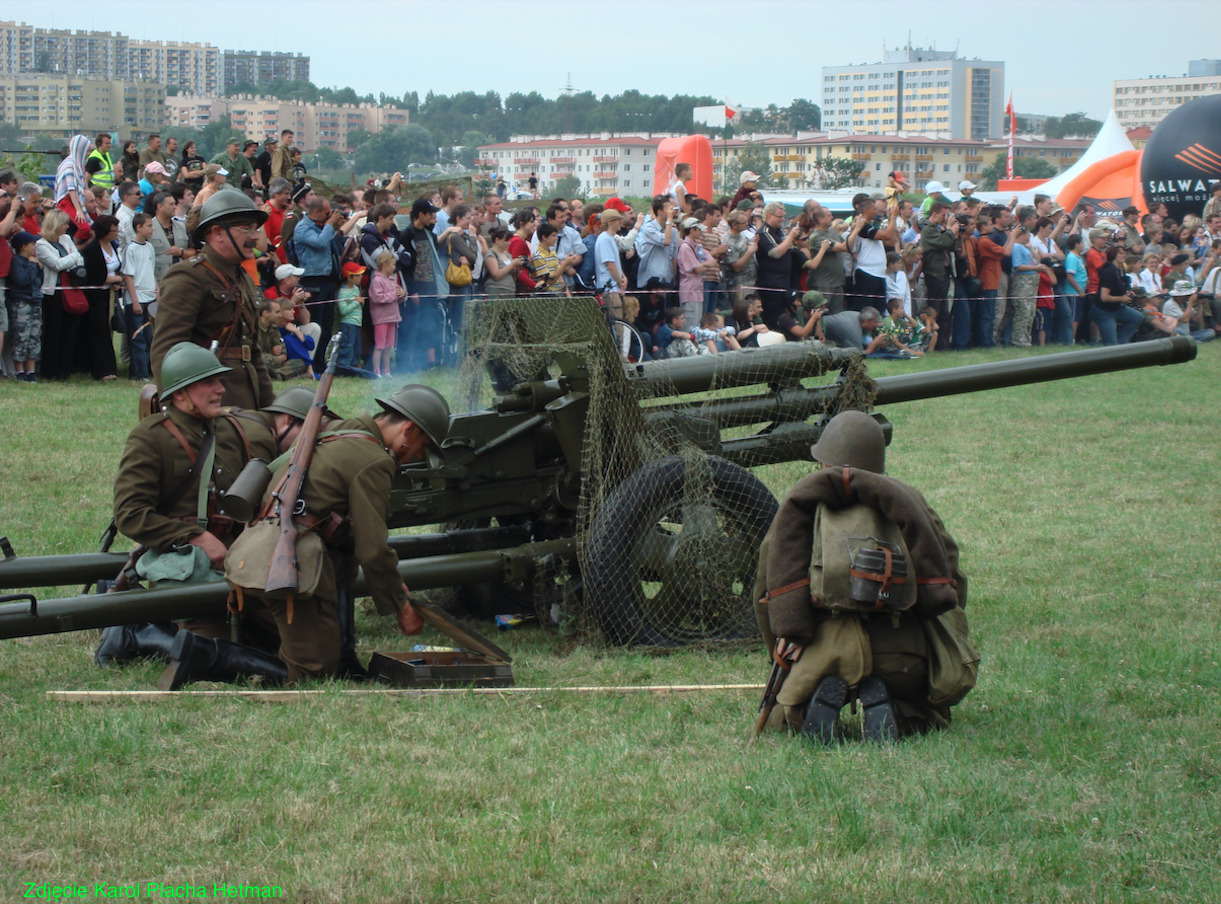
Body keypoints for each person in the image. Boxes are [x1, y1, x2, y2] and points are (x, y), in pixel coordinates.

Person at [160, 384, 451, 688]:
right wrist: (401, 605)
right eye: (421, 447)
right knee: (312, 672)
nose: (416, 455)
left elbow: (346, 538)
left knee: (323, 655)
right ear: (410, 430)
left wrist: (389, 580)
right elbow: (373, 550)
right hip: (286, 564)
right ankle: (202, 655)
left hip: (252, 553)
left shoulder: (333, 432)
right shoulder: (374, 459)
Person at [754, 410, 974, 742]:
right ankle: (899, 713)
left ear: (825, 463)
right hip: (903, 652)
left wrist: (787, 641)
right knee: (930, 713)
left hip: (822, 650)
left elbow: (766, 591)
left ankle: (810, 707)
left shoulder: (800, 510)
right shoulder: (910, 505)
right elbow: (952, 577)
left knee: (784, 718)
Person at [100, 344, 294, 667]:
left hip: (243, 565)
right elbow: (131, 515)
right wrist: (195, 536)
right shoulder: (151, 439)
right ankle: (140, 634)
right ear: (180, 394)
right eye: (209, 383)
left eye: (219, 381)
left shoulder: (233, 430)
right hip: (190, 569)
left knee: (292, 643)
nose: (221, 389)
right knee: (208, 652)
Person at [151, 192, 274, 409]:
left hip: (246, 397)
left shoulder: (241, 277)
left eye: (255, 229)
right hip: (207, 400)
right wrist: (176, 410)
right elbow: (166, 350)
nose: (255, 237)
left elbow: (251, 350)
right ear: (217, 233)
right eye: (247, 229)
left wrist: (269, 408)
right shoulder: (189, 276)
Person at [35, 209, 86, 381]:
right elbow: (56, 264)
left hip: (70, 290)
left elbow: (80, 260)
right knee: (53, 332)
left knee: (69, 331)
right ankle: (50, 370)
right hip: (53, 293)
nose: (67, 227)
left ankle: (65, 370)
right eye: (64, 224)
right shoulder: (41, 245)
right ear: (56, 225)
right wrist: (73, 257)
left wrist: (72, 258)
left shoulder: (66, 239)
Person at [77, 214, 121, 381]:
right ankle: (102, 370)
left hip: (108, 294)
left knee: (108, 330)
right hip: (94, 296)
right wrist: (115, 279)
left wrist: (116, 279)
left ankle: (111, 366)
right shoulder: (93, 250)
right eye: (114, 230)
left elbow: (115, 267)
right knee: (98, 332)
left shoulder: (113, 246)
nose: (117, 232)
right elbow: (94, 276)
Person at [6, 231, 42, 381]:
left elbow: (39, 281)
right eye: (32, 244)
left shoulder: (32, 261)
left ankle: (31, 370)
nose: (34, 246)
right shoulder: (16, 261)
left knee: (34, 336)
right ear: (24, 246)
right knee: (21, 336)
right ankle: (19, 370)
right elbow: (22, 280)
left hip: (35, 300)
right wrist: (33, 266)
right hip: (21, 302)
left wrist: (37, 266)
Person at [1094, 245, 1144, 346]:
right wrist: (1121, 298)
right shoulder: (1109, 271)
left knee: (1137, 317)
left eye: (1125, 253)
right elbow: (1104, 297)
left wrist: (1127, 293)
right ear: (1113, 255)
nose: (1124, 255)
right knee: (1110, 345)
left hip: (1116, 308)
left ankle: (1121, 342)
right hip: (1104, 311)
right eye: (1121, 253)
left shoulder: (1119, 270)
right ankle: (1104, 344)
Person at [368, 250, 405, 377]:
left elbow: (398, 296)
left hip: (393, 317)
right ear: (384, 265)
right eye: (393, 265)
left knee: (389, 346)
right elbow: (378, 298)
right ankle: (376, 371)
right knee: (380, 346)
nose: (394, 267)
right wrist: (394, 295)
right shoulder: (376, 281)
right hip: (381, 318)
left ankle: (387, 370)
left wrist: (402, 294)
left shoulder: (391, 280)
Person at [335, 261, 375, 377]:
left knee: (357, 346)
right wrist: (356, 302)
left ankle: (355, 368)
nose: (360, 277)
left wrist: (361, 303)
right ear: (349, 277)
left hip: (357, 323)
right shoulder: (343, 292)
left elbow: (358, 307)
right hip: (348, 324)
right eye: (358, 275)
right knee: (347, 346)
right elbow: (343, 310)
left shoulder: (356, 289)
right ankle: (344, 368)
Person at [817, 307, 887, 354]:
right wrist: (874, 344)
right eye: (875, 322)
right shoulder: (853, 331)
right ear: (866, 321)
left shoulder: (857, 315)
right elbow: (858, 356)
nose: (878, 325)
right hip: (816, 332)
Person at [482, 226, 523, 297]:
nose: (509, 243)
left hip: (510, 291)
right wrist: (513, 264)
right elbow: (496, 275)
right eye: (506, 241)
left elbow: (512, 276)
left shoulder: (508, 254)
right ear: (497, 240)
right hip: (496, 292)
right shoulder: (491, 253)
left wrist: (518, 270)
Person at [84, 132, 116, 211]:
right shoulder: (94, 158)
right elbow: (86, 177)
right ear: (99, 144)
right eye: (107, 143)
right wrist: (88, 193)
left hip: (107, 193)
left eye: (110, 143)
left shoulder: (106, 154)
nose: (109, 145)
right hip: (98, 194)